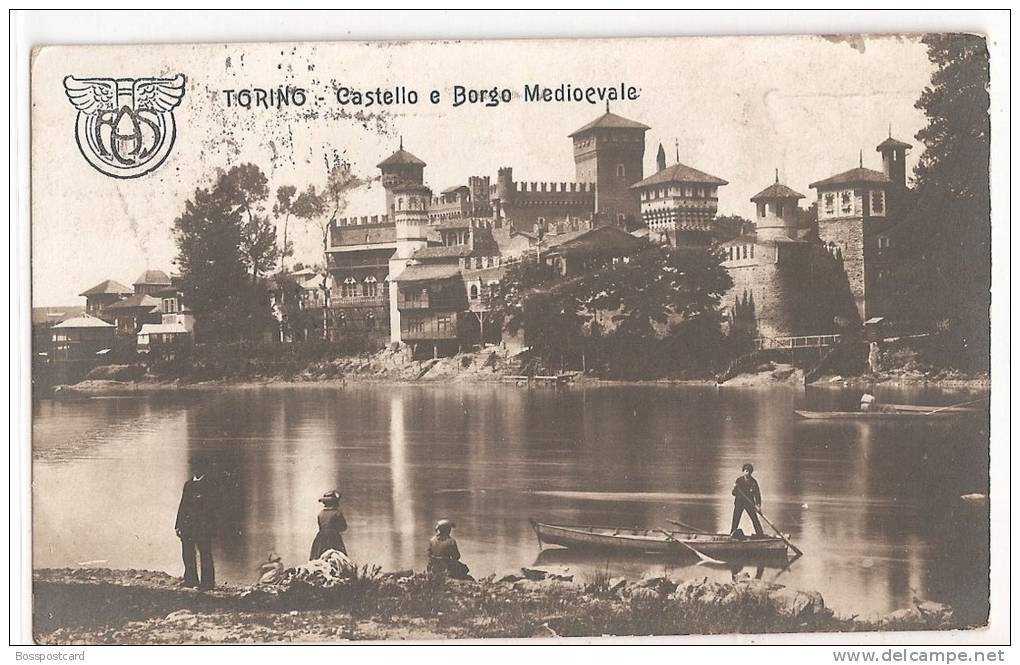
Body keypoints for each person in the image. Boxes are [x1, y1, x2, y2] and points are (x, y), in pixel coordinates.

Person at [175, 468, 217, 590]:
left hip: (203, 527)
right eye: (194, 466)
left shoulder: (210, 485)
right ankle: (190, 580)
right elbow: (183, 505)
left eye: (199, 466)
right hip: (188, 526)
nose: (195, 469)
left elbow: (213, 509)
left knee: (205, 554)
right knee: (188, 553)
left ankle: (207, 583)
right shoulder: (188, 485)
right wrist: (178, 525)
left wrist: (212, 528)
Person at [310, 490, 348, 560]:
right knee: (340, 558)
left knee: (317, 556)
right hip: (334, 537)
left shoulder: (320, 514)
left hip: (321, 538)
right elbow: (343, 527)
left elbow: (321, 527)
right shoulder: (337, 513)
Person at [730, 463, 763, 537]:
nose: (747, 473)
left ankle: (760, 534)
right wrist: (735, 488)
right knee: (736, 519)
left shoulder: (753, 482)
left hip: (749, 503)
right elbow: (733, 493)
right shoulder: (739, 480)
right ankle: (732, 533)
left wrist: (758, 505)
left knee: (754, 518)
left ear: (751, 472)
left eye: (749, 471)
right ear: (743, 471)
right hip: (739, 503)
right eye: (746, 471)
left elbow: (757, 494)